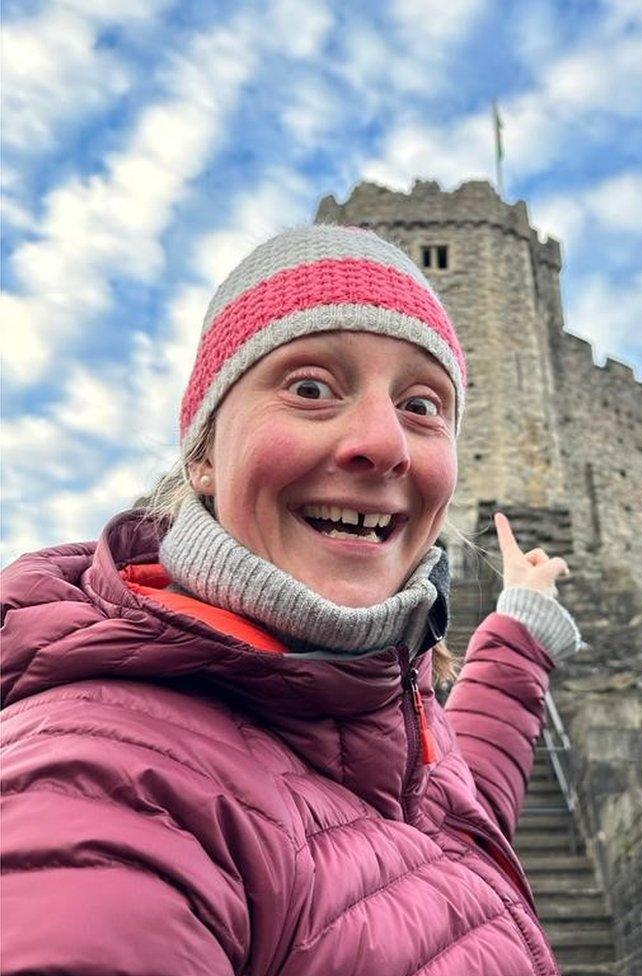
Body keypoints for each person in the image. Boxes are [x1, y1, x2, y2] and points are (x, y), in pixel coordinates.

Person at [0, 225, 582, 975]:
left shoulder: (376, 698)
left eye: (422, 404)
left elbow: (449, 827)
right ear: (204, 454)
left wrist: (519, 632)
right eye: (311, 387)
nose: (384, 443)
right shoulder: (108, 781)